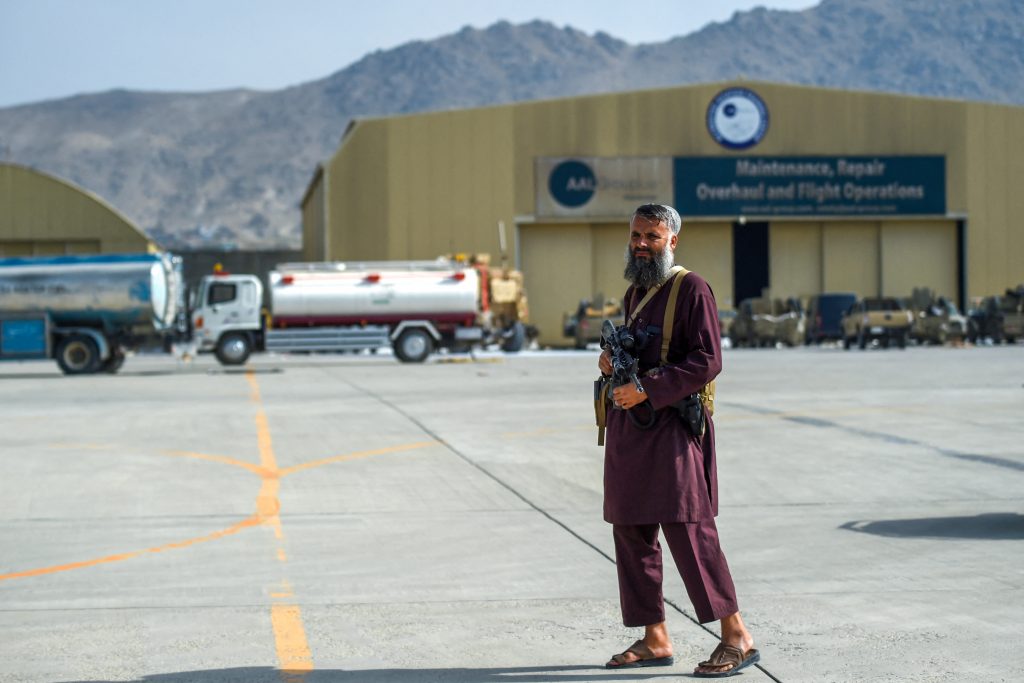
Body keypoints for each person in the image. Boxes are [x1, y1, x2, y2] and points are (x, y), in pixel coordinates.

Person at [599, 204, 759, 677]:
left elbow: (707, 359)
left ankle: (737, 636)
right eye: (635, 235)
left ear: (673, 241)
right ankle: (655, 637)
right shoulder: (635, 292)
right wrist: (610, 363)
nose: (641, 244)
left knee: (688, 528)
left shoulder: (691, 289)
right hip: (631, 428)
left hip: (671, 429)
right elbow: (634, 349)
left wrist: (648, 387)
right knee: (630, 529)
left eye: (651, 236)